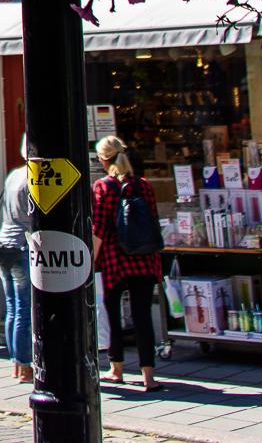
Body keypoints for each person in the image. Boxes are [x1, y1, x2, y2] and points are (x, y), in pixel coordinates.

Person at [89, 134, 163, 391]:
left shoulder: (103, 186)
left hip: (114, 259)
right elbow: (152, 220)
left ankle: (116, 368)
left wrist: (90, 260)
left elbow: (98, 228)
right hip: (144, 258)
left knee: (112, 315)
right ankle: (148, 376)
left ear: (102, 159)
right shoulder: (144, 185)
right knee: (143, 316)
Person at [0, 158, 34, 383]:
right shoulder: (32, 178)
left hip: (4, 243)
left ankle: (15, 361)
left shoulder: (14, 175)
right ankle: (25, 365)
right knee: (24, 308)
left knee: (12, 307)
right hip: (21, 244)